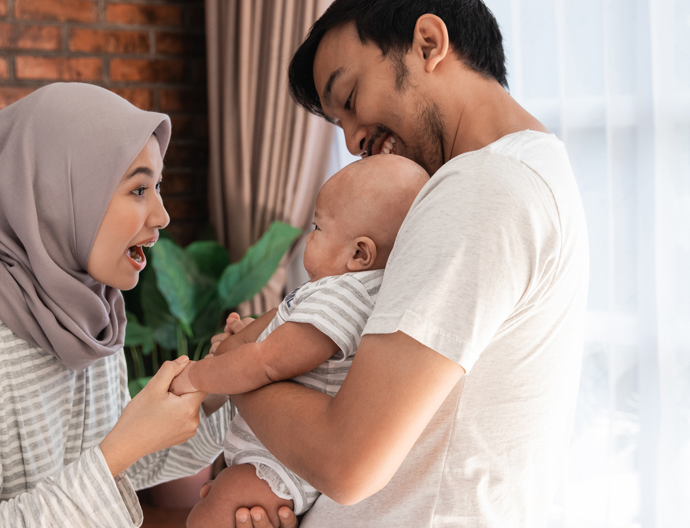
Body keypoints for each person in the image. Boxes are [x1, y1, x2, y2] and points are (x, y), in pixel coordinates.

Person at [222, 1, 590, 526]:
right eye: (338, 122)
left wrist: (238, 365)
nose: (351, 141)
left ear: (428, 44)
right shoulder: (533, 170)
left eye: (348, 97)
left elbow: (345, 460)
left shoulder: (480, 189)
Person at [0, 83, 295, 528]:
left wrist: (220, 388)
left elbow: (119, 468)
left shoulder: (89, 312)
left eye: (157, 187)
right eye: (139, 189)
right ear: (60, 192)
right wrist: (119, 449)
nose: (161, 215)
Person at [169, 155, 429, 527]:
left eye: (317, 227)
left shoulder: (342, 296)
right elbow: (276, 334)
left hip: (276, 463)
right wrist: (242, 337)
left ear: (359, 253)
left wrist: (197, 376)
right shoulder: (341, 293)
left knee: (203, 520)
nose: (308, 237)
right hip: (273, 452)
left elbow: (268, 362)